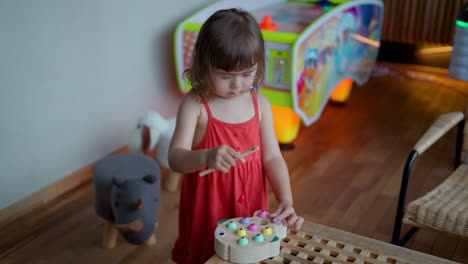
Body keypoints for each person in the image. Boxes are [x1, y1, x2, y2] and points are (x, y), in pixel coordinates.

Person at [169, 8, 304, 264]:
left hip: (252, 205)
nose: (237, 84)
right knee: (208, 256)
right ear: (202, 64)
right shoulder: (195, 105)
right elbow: (175, 159)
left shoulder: (261, 104)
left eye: (247, 73)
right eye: (226, 75)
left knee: (250, 253)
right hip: (209, 208)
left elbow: (273, 158)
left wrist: (285, 198)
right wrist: (206, 156)